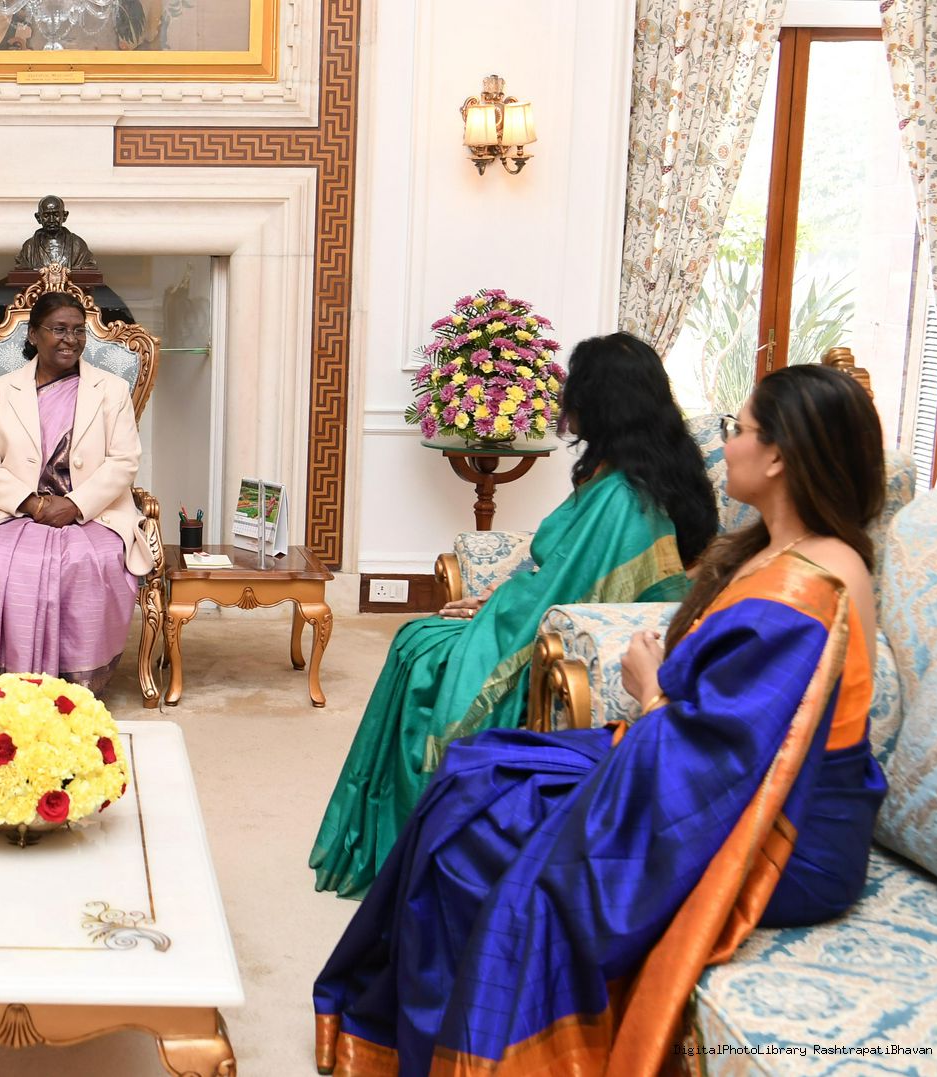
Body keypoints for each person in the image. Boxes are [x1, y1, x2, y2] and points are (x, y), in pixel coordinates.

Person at [311, 364, 886, 1075]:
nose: (724, 443)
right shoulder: (771, 550)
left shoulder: (814, 582)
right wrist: (660, 695)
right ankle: (404, 1038)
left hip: (777, 835)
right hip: (706, 778)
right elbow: (724, 721)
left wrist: (650, 692)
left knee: (481, 838)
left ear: (778, 456)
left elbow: (724, 754)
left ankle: (454, 1051)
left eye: (738, 430)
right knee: (472, 771)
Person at [310, 333, 718, 897]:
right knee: (418, 639)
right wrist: (498, 595)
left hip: (558, 635)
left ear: (601, 401)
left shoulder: (625, 496)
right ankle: (395, 845)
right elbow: (560, 567)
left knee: (425, 654)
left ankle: (413, 849)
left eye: (575, 387)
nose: (564, 399)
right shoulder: (622, 470)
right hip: (533, 607)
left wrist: (495, 606)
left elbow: (575, 589)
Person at [0, 291, 152, 691]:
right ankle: (13, 680)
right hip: (14, 510)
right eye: (59, 329)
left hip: (91, 512)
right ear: (33, 334)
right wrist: (31, 503)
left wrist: (75, 505)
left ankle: (78, 683)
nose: (71, 339)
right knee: (2, 560)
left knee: (87, 562)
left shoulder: (111, 389)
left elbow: (124, 461)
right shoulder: (2, 390)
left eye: (78, 331)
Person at [13, 195, 98, 271]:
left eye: (56, 215)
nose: (51, 220)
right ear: (38, 218)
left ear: (64, 216)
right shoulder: (29, 247)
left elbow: (88, 271)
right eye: (46, 216)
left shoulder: (78, 245)